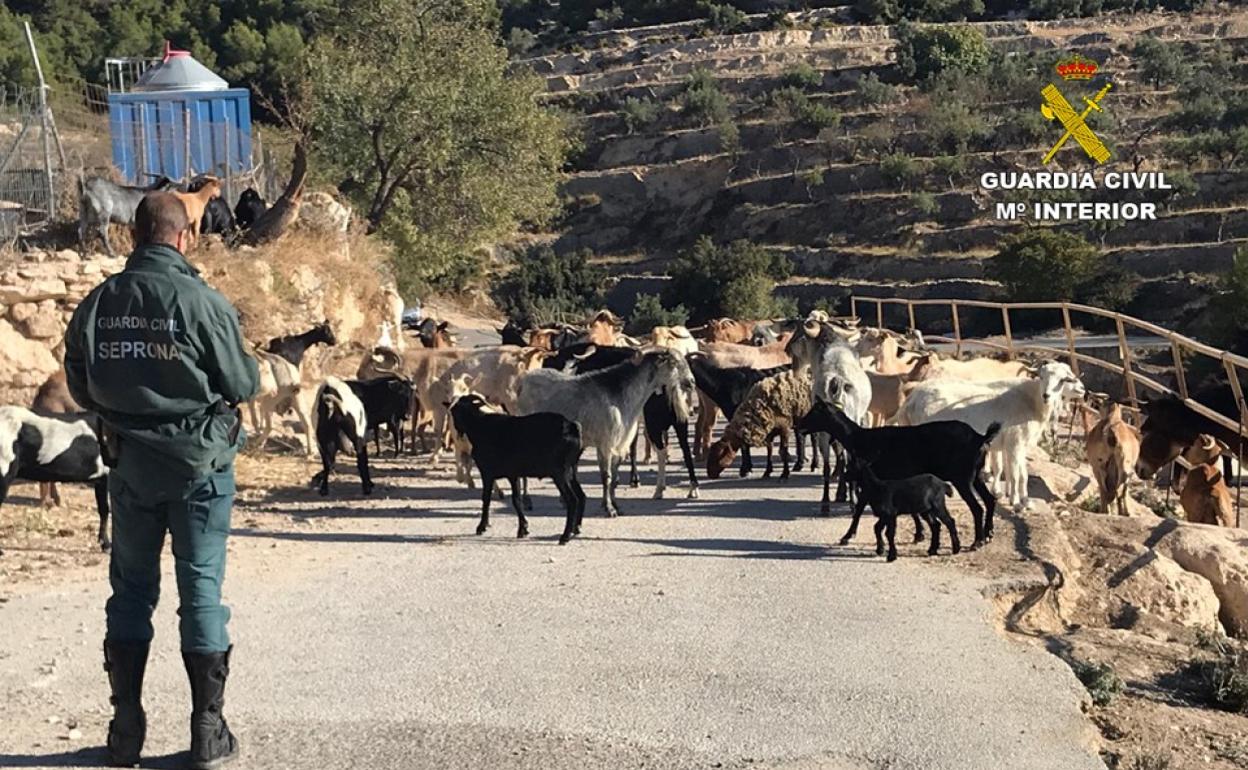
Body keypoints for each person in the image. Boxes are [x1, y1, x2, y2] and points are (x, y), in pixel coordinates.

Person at [64, 192, 260, 769]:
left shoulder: (98, 303)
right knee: (200, 593)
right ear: (185, 238)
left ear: (131, 236)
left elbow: (79, 382)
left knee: (130, 592)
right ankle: (207, 731)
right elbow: (243, 381)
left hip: (128, 470)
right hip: (200, 468)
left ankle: (125, 731)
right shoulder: (203, 301)